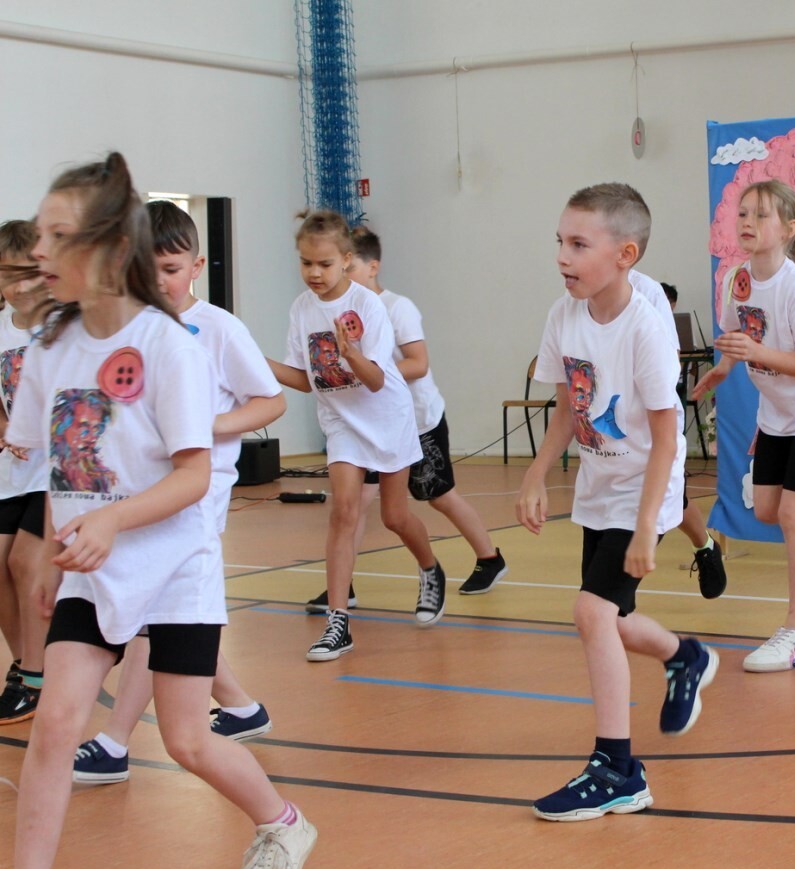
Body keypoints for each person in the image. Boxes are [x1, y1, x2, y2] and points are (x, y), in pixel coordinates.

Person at [1, 153, 314, 869]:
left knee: (186, 740)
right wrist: (51, 557)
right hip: (92, 569)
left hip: (175, 564)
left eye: (56, 234)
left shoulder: (171, 346)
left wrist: (111, 518)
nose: (37, 250)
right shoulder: (49, 349)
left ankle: (284, 823)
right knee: (56, 725)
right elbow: (58, 463)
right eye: (38, 233)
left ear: (111, 250)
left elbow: (192, 476)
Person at [69, 201, 286, 785]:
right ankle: (240, 707)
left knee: (155, 615)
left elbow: (271, 401)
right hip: (140, 496)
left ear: (196, 266)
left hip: (196, 494)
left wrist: (205, 426)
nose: (158, 280)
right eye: (146, 268)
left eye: (169, 269)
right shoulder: (128, 331)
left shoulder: (218, 328)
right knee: (177, 618)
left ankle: (114, 742)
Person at [518, 183, 717, 821]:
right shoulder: (564, 315)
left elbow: (668, 438)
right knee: (614, 617)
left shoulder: (645, 331)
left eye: (579, 244)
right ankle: (685, 656)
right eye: (560, 241)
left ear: (624, 254)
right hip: (599, 485)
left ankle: (618, 770)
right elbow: (565, 410)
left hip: (643, 487)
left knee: (591, 611)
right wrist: (536, 475)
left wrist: (646, 525)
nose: (562, 256)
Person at [297, 226, 507, 611]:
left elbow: (418, 364)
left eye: (340, 266)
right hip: (360, 421)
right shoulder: (315, 308)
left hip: (416, 418)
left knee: (436, 497)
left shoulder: (395, 307)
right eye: (309, 263)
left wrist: (360, 368)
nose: (322, 274)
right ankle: (342, 587)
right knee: (351, 507)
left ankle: (489, 557)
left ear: (367, 266)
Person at [692, 179, 795, 673]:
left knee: (790, 515)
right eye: (743, 213)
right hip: (777, 414)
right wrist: (723, 369)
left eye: (761, 215)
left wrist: (756, 352)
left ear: (789, 228)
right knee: (766, 509)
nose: (748, 222)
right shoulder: (736, 279)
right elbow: (736, 335)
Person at [268, 211, 440, 660]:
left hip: (387, 417)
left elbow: (378, 380)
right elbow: (306, 379)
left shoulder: (368, 306)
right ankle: (338, 622)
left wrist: (349, 353)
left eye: (324, 264)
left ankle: (430, 568)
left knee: (395, 516)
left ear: (346, 259)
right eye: (306, 263)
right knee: (343, 512)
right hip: (341, 421)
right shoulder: (301, 309)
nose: (314, 273)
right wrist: (256, 361)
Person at [644, 276, 726, 599]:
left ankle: (704, 547)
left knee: (670, 498)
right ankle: (706, 546)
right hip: (619, 443)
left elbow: (670, 364)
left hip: (657, 423)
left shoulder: (648, 297)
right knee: (675, 501)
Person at [0, 220, 49, 724]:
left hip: (54, 473)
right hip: (13, 472)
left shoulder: (62, 326)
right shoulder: (2, 328)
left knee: (24, 564)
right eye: (6, 275)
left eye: (26, 273)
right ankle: (24, 663)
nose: (18, 287)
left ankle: (36, 676)